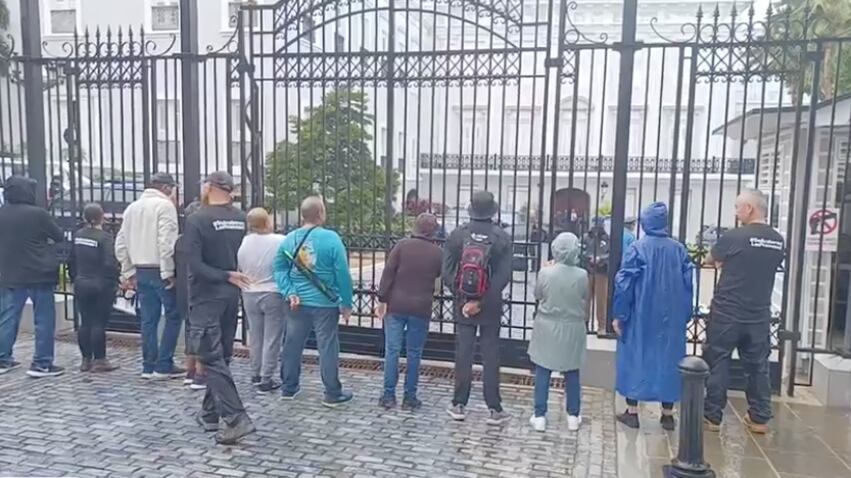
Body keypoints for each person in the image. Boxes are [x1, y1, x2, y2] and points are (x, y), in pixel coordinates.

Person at [703, 190, 784, 434]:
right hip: (759, 314)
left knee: (718, 360)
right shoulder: (777, 240)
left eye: (738, 207)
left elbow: (710, 259)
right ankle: (759, 417)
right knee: (758, 365)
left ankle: (712, 416)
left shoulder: (735, 236)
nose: (736, 213)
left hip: (727, 311)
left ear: (749, 208)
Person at [183, 171, 255, 444]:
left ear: (210, 187)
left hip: (207, 295)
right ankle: (210, 413)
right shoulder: (239, 218)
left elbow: (195, 264)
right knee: (221, 356)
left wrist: (224, 275)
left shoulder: (197, 219)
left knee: (210, 357)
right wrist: (230, 276)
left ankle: (236, 418)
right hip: (230, 294)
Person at [612, 202, 693, 431]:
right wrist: (685, 314)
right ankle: (667, 415)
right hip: (671, 316)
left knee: (637, 357)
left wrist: (620, 314)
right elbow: (688, 285)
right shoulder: (679, 250)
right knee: (669, 361)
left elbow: (624, 283)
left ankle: (632, 411)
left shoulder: (637, 248)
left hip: (641, 313)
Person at [273, 196, 354, 407]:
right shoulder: (332, 239)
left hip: (296, 302)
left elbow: (279, 268)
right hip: (325, 303)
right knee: (327, 346)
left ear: (302, 215)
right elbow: (342, 273)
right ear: (321, 214)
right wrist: (346, 302)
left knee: (292, 344)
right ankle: (332, 392)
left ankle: (289, 387)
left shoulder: (289, 239)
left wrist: (289, 291)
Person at [442, 190, 513, 425]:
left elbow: (447, 272)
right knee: (490, 354)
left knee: (464, 352)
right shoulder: (501, 237)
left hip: (463, 305)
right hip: (490, 307)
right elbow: (503, 277)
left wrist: (464, 299)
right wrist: (481, 302)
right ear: (492, 209)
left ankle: (459, 403)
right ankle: (494, 407)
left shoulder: (457, 235)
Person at [115, 172, 183, 379]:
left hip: (140, 268)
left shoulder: (132, 208)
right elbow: (166, 242)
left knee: (148, 319)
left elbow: (121, 243)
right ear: (166, 188)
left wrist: (127, 271)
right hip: (159, 268)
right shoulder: (164, 207)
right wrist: (168, 271)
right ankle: (164, 364)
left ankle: (148, 364)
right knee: (173, 315)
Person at [376, 213, 443, 411]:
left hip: (396, 305)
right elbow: (441, 275)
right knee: (414, 353)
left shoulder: (401, 246)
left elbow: (388, 272)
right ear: (433, 231)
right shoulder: (437, 253)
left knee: (392, 350)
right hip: (421, 307)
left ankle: (388, 395)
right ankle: (410, 397)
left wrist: (382, 298)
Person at [0, 175, 65, 377]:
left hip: (10, 274)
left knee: (8, 318)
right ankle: (42, 363)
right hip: (39, 274)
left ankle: (3, 358)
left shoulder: (2, 213)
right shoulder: (38, 214)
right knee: (44, 319)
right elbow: (58, 236)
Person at [528, 232, 589, 433]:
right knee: (572, 372)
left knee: (543, 371)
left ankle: (540, 416)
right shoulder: (582, 275)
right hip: (572, 327)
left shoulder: (546, 273)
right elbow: (584, 296)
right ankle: (573, 415)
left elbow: (538, 294)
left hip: (547, 326)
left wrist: (546, 270)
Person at [238, 207, 286, 394]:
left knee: (256, 336)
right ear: (267, 221)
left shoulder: (245, 241)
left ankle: (255, 373)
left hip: (249, 292)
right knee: (272, 338)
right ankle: (267, 377)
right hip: (272, 291)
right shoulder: (279, 241)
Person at [68, 203, 120, 373]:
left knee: (85, 322)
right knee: (98, 322)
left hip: (82, 282)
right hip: (100, 284)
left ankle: (85, 359)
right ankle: (100, 360)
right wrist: (113, 281)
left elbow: (71, 260)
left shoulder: (78, 235)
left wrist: (75, 277)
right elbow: (109, 263)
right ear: (102, 217)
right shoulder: (104, 238)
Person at [177, 198, 206, 390]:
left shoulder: (180, 240)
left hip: (182, 290)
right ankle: (201, 374)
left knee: (190, 330)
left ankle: (190, 371)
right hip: (201, 290)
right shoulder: (203, 240)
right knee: (204, 332)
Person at [582, 217, 611, 336]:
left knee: (601, 300)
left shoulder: (607, 239)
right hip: (587, 271)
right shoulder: (585, 237)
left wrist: (601, 259)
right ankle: (584, 324)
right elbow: (580, 250)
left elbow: (611, 253)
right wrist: (589, 257)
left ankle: (602, 326)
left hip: (602, 271)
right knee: (585, 299)